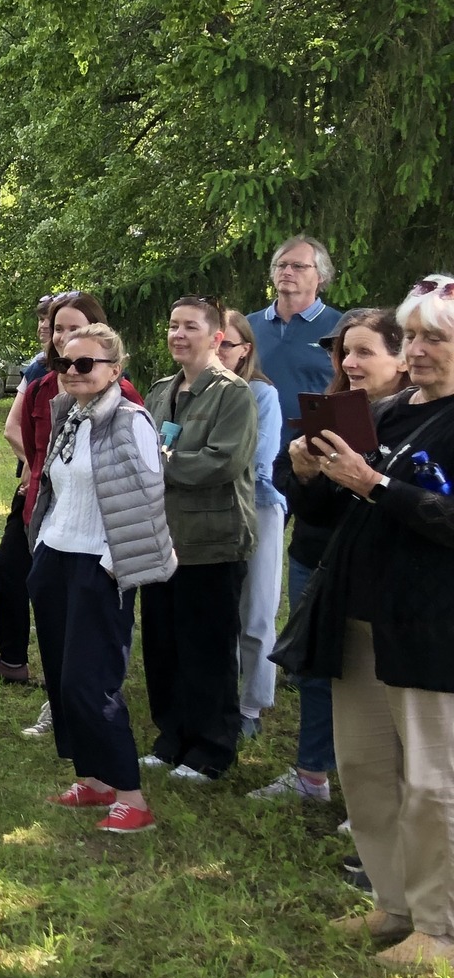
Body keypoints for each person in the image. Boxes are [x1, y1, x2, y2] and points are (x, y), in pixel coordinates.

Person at [275, 274, 454, 970]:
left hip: (429, 625)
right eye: (412, 336)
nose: (419, 350)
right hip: (357, 618)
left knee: (432, 781)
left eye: (436, 338)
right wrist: (307, 473)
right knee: (366, 768)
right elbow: (327, 513)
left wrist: (375, 484)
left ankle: (440, 928)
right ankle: (394, 904)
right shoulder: (389, 412)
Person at [253, 307, 408, 802]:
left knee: (384, 680)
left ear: (402, 358)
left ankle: (384, 791)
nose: (349, 362)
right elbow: (303, 499)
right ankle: (311, 774)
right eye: (344, 352)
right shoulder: (330, 408)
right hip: (316, 559)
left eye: (364, 351)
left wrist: (363, 481)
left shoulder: (416, 420)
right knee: (318, 669)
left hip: (383, 568)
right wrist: (303, 473)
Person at [26, 323, 174, 834]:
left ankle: (131, 796)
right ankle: (93, 779)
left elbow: (150, 497)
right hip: (55, 558)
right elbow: (56, 486)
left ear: (115, 370)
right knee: (62, 680)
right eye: (65, 363)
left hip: (100, 564)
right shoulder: (70, 414)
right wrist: (42, 547)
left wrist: (112, 563)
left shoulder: (131, 421)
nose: (73, 372)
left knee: (90, 682)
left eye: (86, 364)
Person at [1, 293, 144, 734]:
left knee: (91, 636)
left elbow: (138, 484)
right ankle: (60, 708)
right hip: (48, 518)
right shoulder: (43, 387)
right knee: (45, 609)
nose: (65, 337)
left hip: (97, 539)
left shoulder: (123, 402)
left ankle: (93, 709)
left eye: (75, 328)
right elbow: (32, 447)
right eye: (58, 329)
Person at [140, 296, 258, 781]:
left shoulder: (233, 394)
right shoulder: (160, 392)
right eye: (173, 325)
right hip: (160, 538)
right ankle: (171, 739)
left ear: (216, 337)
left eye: (190, 326)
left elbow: (222, 462)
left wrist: (157, 465)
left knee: (206, 649)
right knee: (163, 646)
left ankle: (211, 749)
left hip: (211, 541)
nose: (178, 334)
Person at [0, 293, 63, 686]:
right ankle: (12, 660)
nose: (46, 328)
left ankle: (67, 669)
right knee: (7, 568)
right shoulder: (37, 370)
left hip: (72, 495)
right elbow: (12, 428)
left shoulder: (101, 370)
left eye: (56, 322)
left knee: (59, 580)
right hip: (32, 489)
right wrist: (37, 471)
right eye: (45, 320)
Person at [219, 309, 285, 740]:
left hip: (256, 506)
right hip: (205, 512)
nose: (218, 351)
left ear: (245, 350)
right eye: (214, 342)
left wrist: (199, 464)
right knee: (218, 611)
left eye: (226, 344)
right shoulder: (190, 389)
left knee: (256, 610)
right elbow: (166, 445)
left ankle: (251, 706)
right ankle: (220, 696)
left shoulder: (262, 394)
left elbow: (257, 460)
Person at [251, 235, 338, 436]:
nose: (287, 272)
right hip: (254, 444)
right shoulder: (247, 327)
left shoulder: (340, 328)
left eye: (298, 266)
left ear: (321, 275)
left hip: (314, 445)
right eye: (281, 265)